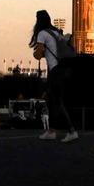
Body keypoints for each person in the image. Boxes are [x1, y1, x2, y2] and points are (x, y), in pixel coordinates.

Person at [29, 9, 75, 140]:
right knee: (51, 100)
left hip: (55, 71)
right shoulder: (56, 32)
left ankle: (71, 131)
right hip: (63, 70)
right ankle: (52, 130)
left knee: (57, 101)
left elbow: (38, 54)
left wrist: (37, 52)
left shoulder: (42, 33)